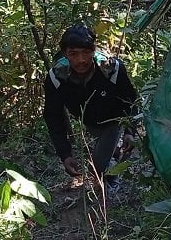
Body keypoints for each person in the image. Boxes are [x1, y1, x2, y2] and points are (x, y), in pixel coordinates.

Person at [43, 24, 138, 184]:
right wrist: (65, 154)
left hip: (114, 119)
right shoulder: (57, 77)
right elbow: (54, 117)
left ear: (94, 51)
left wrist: (130, 131)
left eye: (86, 53)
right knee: (107, 148)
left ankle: (110, 188)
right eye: (74, 54)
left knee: (98, 165)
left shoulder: (111, 69)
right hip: (89, 121)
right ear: (65, 54)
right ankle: (113, 157)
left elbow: (129, 99)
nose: (81, 60)